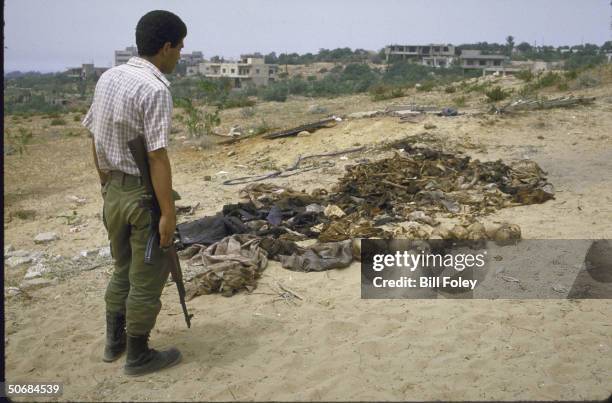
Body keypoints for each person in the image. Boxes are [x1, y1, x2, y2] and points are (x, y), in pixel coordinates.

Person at [83, 10, 186, 376]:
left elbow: (94, 135)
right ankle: (139, 354)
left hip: (113, 191)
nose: (180, 55)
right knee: (148, 273)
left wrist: (104, 184)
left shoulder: (110, 77)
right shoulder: (155, 89)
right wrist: (168, 215)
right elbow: (157, 156)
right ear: (165, 47)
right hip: (143, 197)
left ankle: (115, 341)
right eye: (180, 47)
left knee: (122, 267)